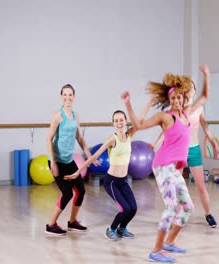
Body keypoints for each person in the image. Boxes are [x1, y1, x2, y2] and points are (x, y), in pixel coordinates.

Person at [122, 65, 209, 263]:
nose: (177, 100)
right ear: (169, 100)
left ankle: (169, 242)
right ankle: (156, 250)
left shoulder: (186, 114)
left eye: (180, 97)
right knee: (171, 208)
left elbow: (204, 96)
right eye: (173, 98)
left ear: (184, 98)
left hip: (175, 169)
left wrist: (206, 76)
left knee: (187, 207)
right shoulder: (165, 117)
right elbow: (139, 126)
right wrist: (128, 104)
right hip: (162, 165)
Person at [65, 105, 152, 241]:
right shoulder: (113, 139)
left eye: (121, 120)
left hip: (123, 180)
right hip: (112, 181)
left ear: (126, 121)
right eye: (116, 121)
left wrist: (150, 103)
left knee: (133, 208)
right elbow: (93, 157)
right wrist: (78, 172)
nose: (119, 123)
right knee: (125, 209)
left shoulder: (129, 135)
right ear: (113, 123)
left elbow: (139, 120)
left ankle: (122, 229)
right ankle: (111, 230)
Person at [150, 79, 219, 228]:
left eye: (192, 88)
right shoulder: (178, 110)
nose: (190, 91)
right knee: (174, 185)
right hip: (177, 152)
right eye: (187, 89)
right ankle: (173, 214)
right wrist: (155, 144)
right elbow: (167, 131)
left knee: (201, 186)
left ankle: (208, 214)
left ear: (194, 91)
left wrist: (213, 142)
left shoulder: (199, 108)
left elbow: (205, 127)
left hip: (194, 150)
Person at [45, 84, 99, 236]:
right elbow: (49, 139)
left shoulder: (75, 115)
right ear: (61, 97)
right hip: (57, 161)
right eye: (65, 95)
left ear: (74, 97)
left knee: (81, 191)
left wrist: (89, 155)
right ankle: (51, 225)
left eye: (70, 95)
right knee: (67, 193)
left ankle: (72, 222)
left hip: (69, 161)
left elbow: (80, 138)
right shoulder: (58, 115)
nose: (68, 97)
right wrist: (53, 163)